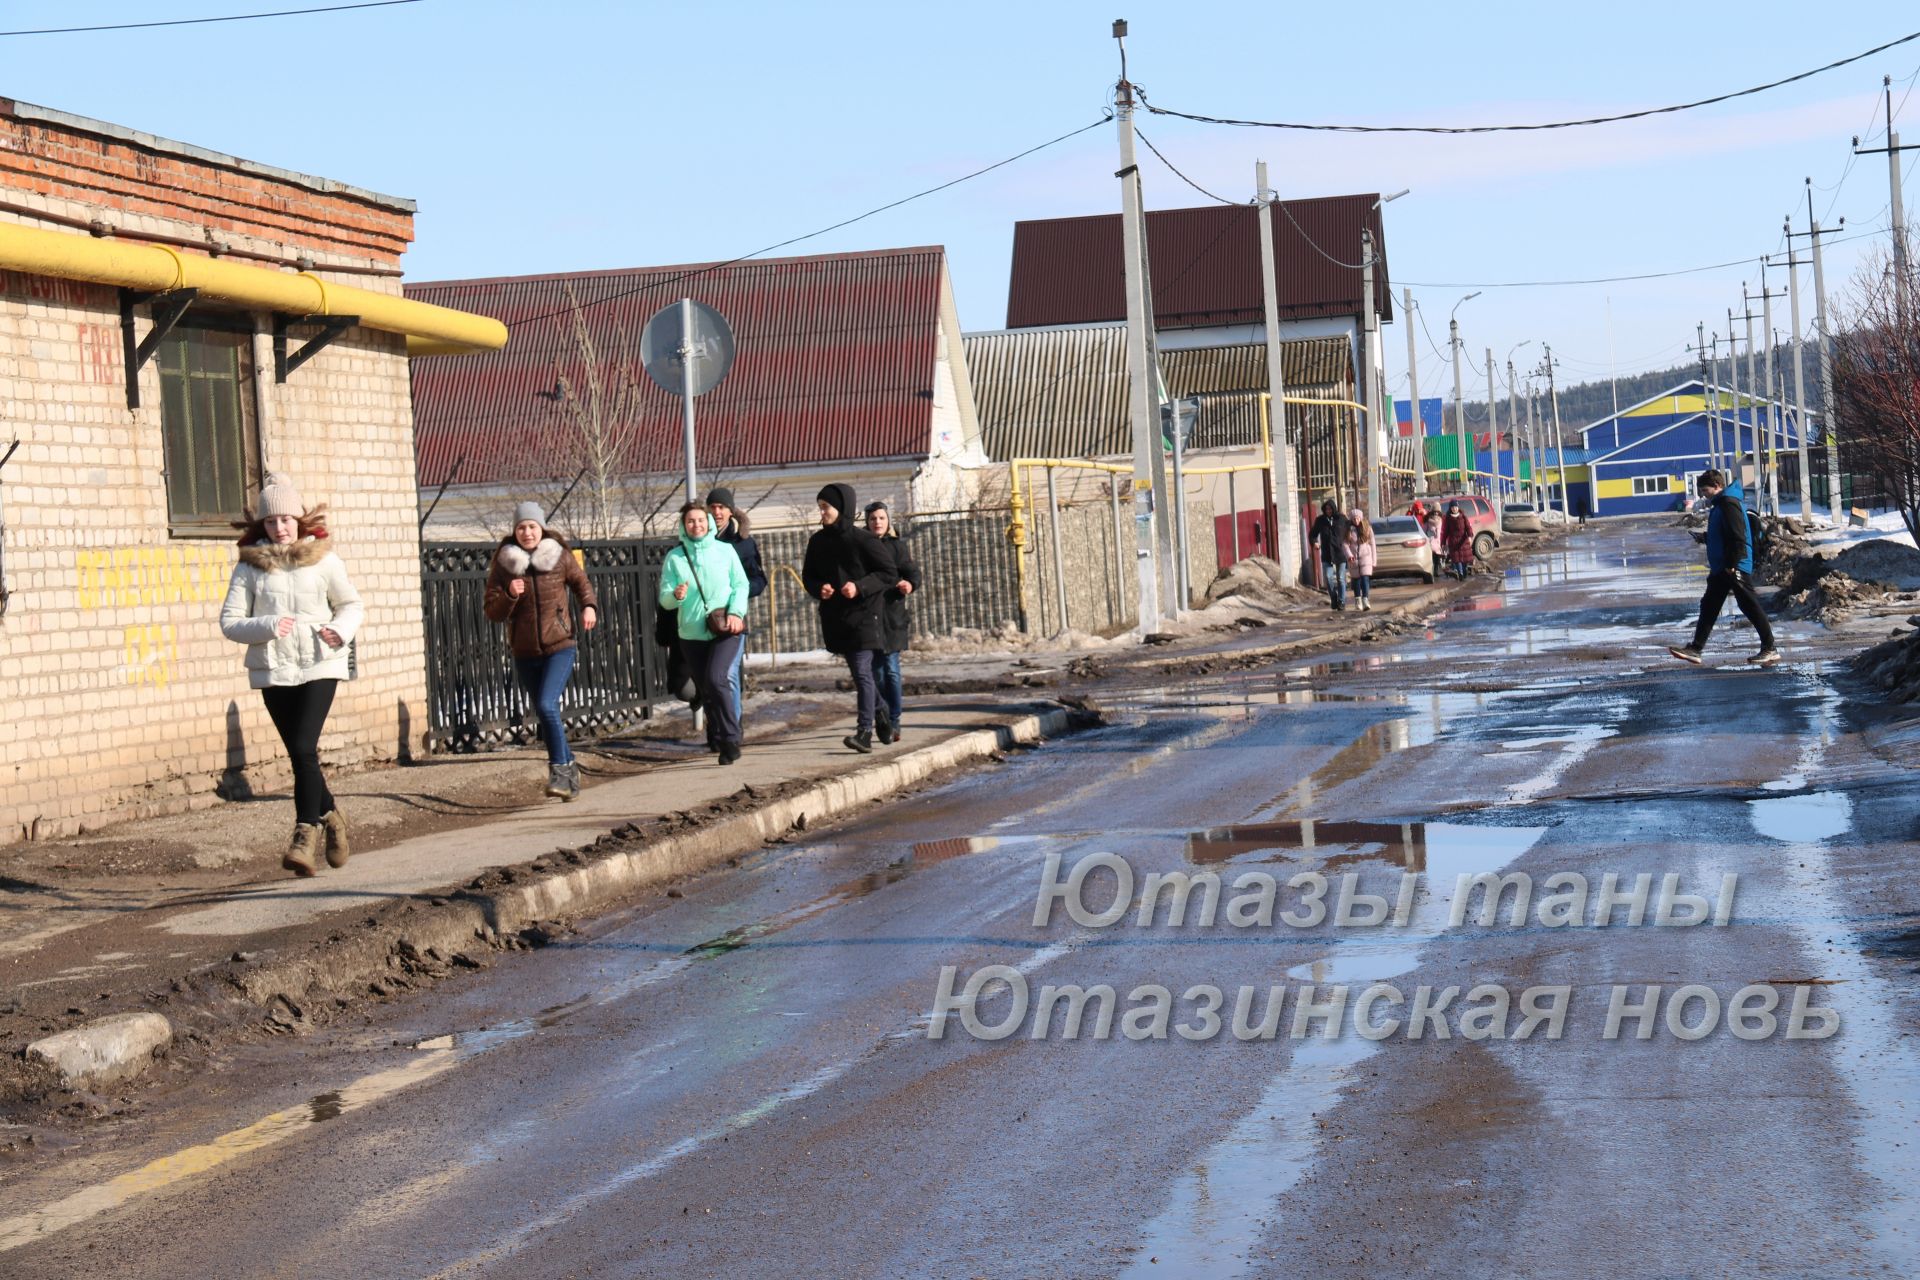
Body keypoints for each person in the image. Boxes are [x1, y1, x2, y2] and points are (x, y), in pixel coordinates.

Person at [219, 474, 363, 878]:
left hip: (319, 662)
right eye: (270, 521)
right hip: (274, 668)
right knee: (302, 756)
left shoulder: (325, 559)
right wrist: (266, 625)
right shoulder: (249, 568)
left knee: (303, 746)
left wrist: (341, 630)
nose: (279, 528)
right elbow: (229, 622)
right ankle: (332, 815)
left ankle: (305, 835)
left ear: (299, 520)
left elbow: (351, 604)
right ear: (261, 526)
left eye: (286, 519)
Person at [484, 502, 598, 800]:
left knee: (547, 706)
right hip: (525, 651)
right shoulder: (504, 564)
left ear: (541, 528)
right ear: (515, 531)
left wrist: (588, 606)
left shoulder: (558, 555)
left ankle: (559, 770)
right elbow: (492, 612)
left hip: (560, 644)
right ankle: (569, 769)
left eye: (532, 526)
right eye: (521, 527)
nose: (527, 532)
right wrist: (510, 595)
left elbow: (581, 582)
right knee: (546, 714)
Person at [803, 483, 896, 753]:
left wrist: (860, 586)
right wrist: (819, 588)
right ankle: (881, 713)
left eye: (825, 507)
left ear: (842, 508)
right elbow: (808, 576)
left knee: (862, 672)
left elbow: (888, 572)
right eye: (820, 507)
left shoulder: (863, 540)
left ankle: (864, 732)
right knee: (860, 673)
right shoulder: (817, 541)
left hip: (865, 615)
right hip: (836, 617)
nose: (822, 513)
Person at [658, 501, 751, 764]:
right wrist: (675, 596)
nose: (696, 525)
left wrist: (736, 613)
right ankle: (722, 739)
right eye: (690, 521)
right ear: (683, 525)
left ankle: (732, 736)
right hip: (691, 634)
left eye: (700, 520)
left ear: (708, 523)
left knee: (717, 678)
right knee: (707, 689)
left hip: (726, 629)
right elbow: (664, 600)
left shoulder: (725, 551)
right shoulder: (675, 557)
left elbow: (740, 585)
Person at [1669, 469, 1780, 667]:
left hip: (1732, 566)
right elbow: (1723, 533)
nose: (1703, 494)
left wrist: (1731, 565)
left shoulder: (1729, 504)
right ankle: (1695, 649)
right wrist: (1705, 538)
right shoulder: (1722, 504)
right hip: (1723, 566)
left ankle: (1770, 648)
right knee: (1709, 606)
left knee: (1749, 605)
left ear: (1717, 486)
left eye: (1705, 490)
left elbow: (1737, 536)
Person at [706, 487, 766, 740]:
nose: (717, 512)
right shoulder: (699, 542)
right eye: (713, 507)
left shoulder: (743, 543)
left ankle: (732, 728)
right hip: (701, 620)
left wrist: (735, 594)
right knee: (707, 677)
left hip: (731, 618)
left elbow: (758, 580)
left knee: (728, 675)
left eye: (722, 507)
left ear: (731, 511)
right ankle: (715, 728)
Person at [864, 501, 921, 743]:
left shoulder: (897, 547)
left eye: (881, 518)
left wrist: (909, 584)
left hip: (893, 615)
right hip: (869, 616)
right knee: (876, 673)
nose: (877, 522)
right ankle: (883, 718)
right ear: (866, 522)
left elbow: (913, 573)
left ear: (888, 522)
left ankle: (895, 720)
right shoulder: (861, 547)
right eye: (873, 518)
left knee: (892, 670)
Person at [1308, 498, 1351, 611]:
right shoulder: (1320, 520)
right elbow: (1312, 534)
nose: (1328, 511)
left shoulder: (1341, 519)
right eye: (1326, 509)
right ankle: (1333, 598)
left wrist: (1350, 544)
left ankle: (1341, 601)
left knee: (1341, 578)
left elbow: (1351, 528)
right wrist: (1315, 542)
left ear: (1334, 508)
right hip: (1327, 553)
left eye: (1330, 509)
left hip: (1340, 553)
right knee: (1328, 577)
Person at [1346, 510, 1377, 612]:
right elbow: (1345, 544)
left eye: (1358, 518)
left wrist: (1373, 560)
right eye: (1354, 518)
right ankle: (1358, 600)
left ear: (1361, 518)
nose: (1356, 520)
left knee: (1365, 579)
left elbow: (1372, 544)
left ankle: (1365, 600)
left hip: (1366, 557)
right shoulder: (1348, 530)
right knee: (1356, 581)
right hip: (1353, 559)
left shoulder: (1367, 528)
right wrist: (1349, 555)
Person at [1441, 501, 1475, 580]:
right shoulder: (1448, 518)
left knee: (1464, 560)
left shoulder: (1463, 516)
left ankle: (1464, 570)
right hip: (1453, 542)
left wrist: (1470, 536)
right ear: (1450, 508)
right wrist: (1443, 542)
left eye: (1456, 507)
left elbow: (1468, 528)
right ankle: (1460, 573)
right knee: (1457, 559)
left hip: (1463, 541)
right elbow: (1445, 531)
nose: (1454, 509)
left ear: (1458, 507)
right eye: (1453, 507)